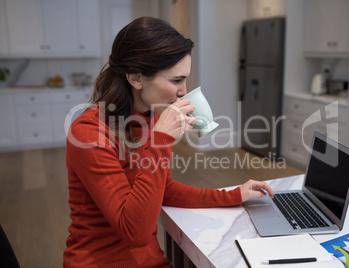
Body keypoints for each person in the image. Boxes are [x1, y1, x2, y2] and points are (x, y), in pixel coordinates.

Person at [63, 17, 274, 267]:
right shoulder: (89, 133)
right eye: (176, 80)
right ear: (136, 78)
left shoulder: (149, 116)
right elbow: (135, 232)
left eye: (185, 79)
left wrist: (233, 195)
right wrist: (161, 141)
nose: (184, 91)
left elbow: (163, 189)